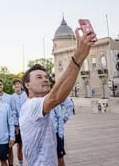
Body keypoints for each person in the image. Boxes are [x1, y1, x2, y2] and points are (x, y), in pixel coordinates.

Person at [19, 28, 96, 165]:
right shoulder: (31, 105)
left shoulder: (40, 104)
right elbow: (56, 97)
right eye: (39, 77)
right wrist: (78, 57)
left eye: (46, 76)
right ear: (27, 84)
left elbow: (59, 96)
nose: (45, 79)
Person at [10, 79, 27, 166]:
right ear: (13, 87)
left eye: (18, 84)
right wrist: (16, 125)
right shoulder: (12, 97)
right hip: (18, 125)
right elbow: (13, 112)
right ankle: (20, 163)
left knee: (29, 145)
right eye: (15, 85)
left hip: (28, 124)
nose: (17, 86)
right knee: (19, 145)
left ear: (21, 85)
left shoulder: (26, 95)